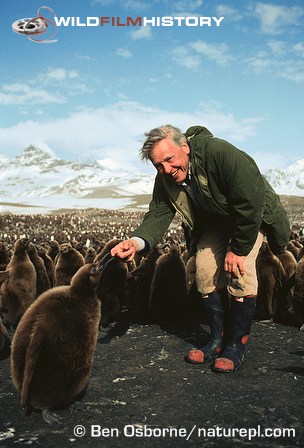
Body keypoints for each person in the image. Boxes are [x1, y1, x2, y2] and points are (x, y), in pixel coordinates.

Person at [111, 125, 290, 373]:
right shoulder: (165, 175)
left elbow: (250, 202)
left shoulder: (220, 154)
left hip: (248, 217)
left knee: (241, 269)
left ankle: (237, 344)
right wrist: (136, 241)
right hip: (214, 222)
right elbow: (159, 213)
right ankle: (218, 338)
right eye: (158, 165)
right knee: (204, 270)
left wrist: (237, 249)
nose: (166, 169)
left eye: (170, 160)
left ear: (184, 146)